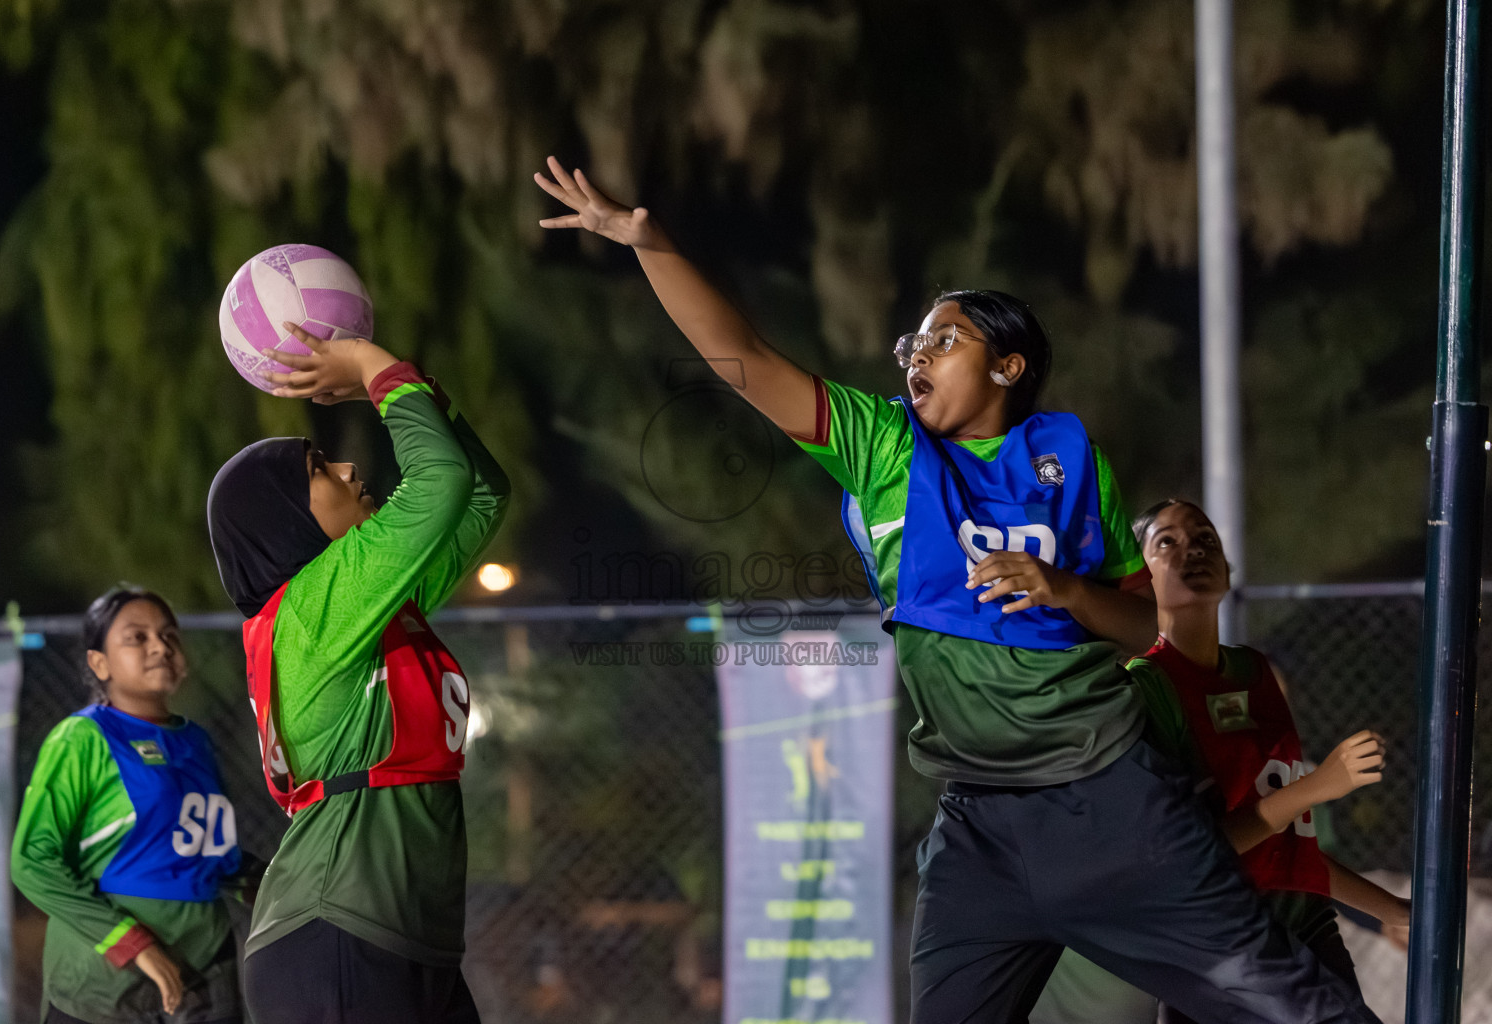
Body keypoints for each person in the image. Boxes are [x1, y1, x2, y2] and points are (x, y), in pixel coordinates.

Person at [535, 155, 1380, 1023]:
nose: (917, 354)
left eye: (945, 339)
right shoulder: (884, 447)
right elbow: (742, 358)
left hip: (1109, 803)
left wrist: (1062, 588)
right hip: (979, 824)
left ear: (1008, 366)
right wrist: (650, 244)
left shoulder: (1070, 462)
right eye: (914, 343)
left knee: (1288, 1005)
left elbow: (1143, 630)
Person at [206, 324, 510, 1024]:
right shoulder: (318, 609)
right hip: (340, 927)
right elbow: (444, 480)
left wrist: (410, 384)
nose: (348, 470)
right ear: (283, 523)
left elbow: (483, 495)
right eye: (318, 469)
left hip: (395, 935)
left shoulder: (359, 609)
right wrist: (372, 364)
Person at [1128, 498, 1407, 1021]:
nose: (1193, 550)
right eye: (1167, 541)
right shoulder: (1144, 688)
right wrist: (1318, 786)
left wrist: (1390, 911)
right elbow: (1194, 853)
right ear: (1138, 578)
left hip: (1304, 927)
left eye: (1206, 539)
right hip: (1215, 942)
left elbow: (1285, 846)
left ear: (1229, 569)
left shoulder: (1256, 673)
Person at [12, 586, 247, 1024]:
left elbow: (211, 853)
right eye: (137, 637)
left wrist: (276, 882)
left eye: (169, 635)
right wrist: (133, 944)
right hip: (106, 984)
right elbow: (33, 862)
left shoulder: (195, 740)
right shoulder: (82, 738)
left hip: (206, 966)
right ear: (98, 663)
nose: (160, 645)